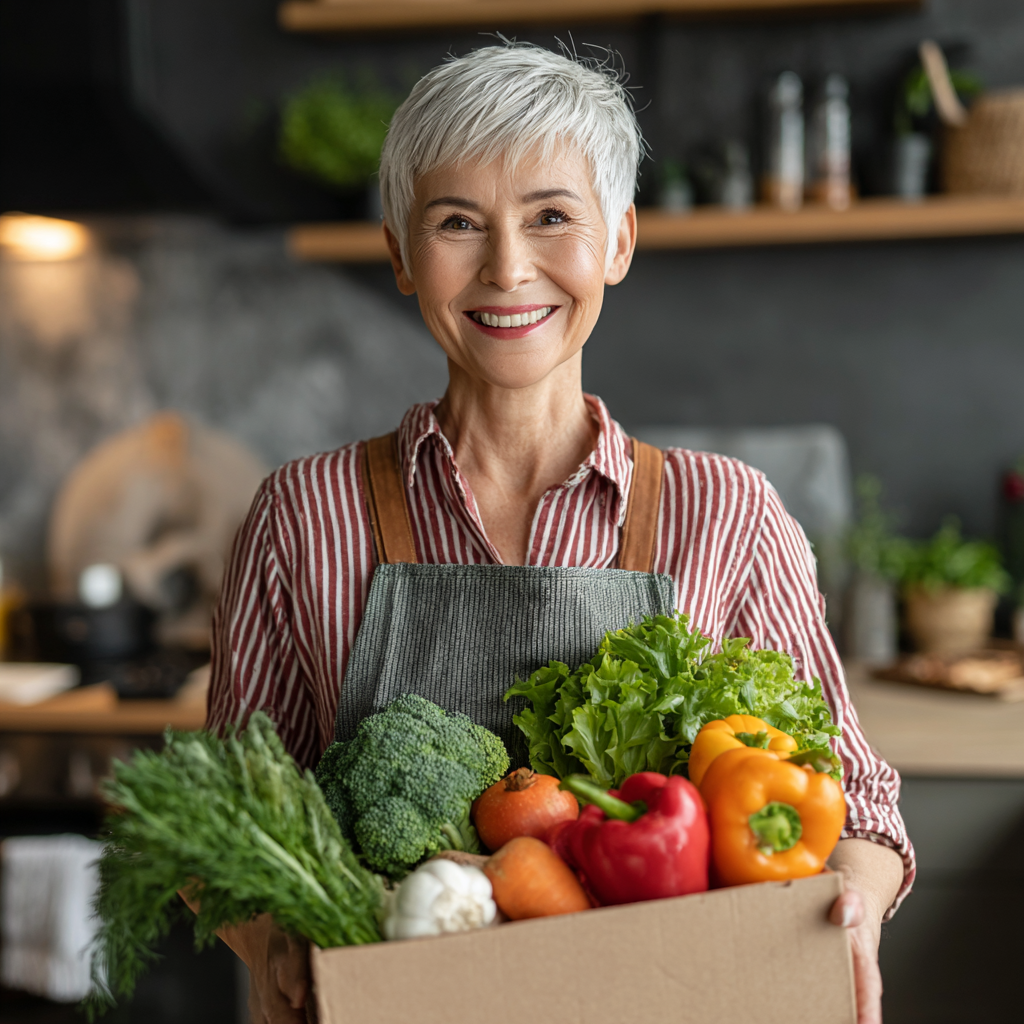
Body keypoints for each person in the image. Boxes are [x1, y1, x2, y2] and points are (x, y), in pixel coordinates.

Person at [205, 43, 913, 1024]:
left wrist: (851, 910)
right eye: (459, 222)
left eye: (550, 217)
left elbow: (860, 803)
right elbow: (226, 819)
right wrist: (274, 933)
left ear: (618, 240)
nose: (506, 267)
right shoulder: (302, 514)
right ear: (401, 254)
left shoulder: (726, 514)